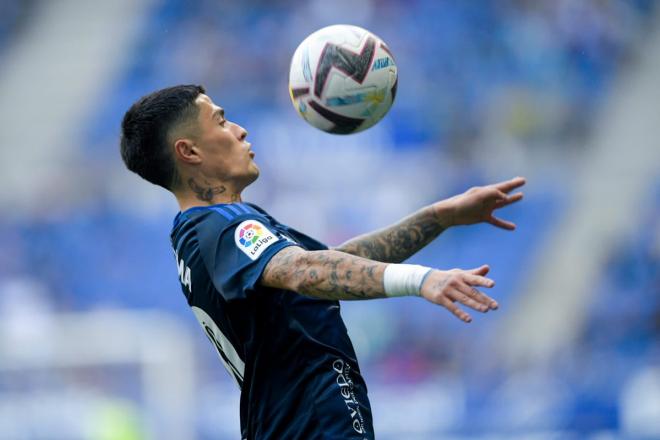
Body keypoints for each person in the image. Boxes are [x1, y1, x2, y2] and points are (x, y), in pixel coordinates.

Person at [119, 84, 525, 439]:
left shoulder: (219, 229)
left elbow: (335, 263)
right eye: (221, 122)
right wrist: (420, 280)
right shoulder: (216, 226)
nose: (240, 130)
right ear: (188, 151)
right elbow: (304, 272)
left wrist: (440, 216)